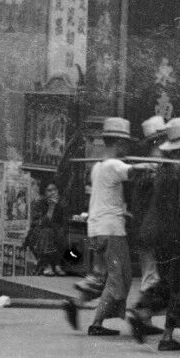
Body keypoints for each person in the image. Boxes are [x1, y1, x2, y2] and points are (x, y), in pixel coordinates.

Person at [129, 117, 180, 351]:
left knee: (166, 282)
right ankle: (167, 337)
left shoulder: (166, 170)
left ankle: (143, 311)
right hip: (178, 237)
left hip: (161, 236)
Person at [71, 117, 134, 337]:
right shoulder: (115, 165)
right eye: (125, 144)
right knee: (120, 278)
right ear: (118, 143)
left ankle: (77, 302)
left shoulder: (98, 167)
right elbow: (134, 172)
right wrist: (150, 165)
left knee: (101, 275)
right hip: (111, 230)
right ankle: (97, 323)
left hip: (96, 229)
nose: (127, 148)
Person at [129, 115, 168, 312]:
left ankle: (144, 316)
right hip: (151, 226)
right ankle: (141, 314)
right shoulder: (154, 165)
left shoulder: (146, 165)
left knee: (150, 273)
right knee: (152, 274)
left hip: (143, 225)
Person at [26, 180, 67, 274]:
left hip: (54, 233)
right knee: (47, 232)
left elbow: (63, 223)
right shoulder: (38, 204)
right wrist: (51, 208)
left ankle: (57, 264)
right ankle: (46, 264)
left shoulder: (60, 205)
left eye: (55, 190)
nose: (53, 192)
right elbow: (41, 224)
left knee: (60, 232)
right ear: (44, 193)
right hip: (37, 234)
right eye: (49, 190)